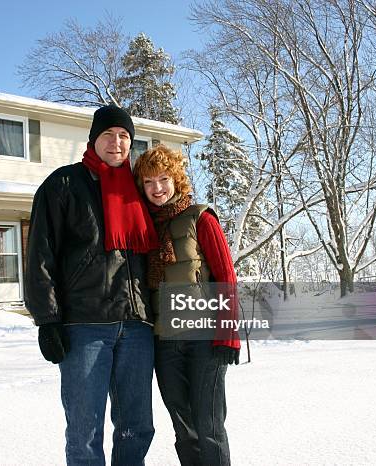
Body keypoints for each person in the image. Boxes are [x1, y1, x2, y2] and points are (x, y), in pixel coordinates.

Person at [25, 105, 159, 466]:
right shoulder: (63, 185)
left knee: (137, 426)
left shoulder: (139, 189)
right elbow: (41, 255)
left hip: (137, 326)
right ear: (93, 139)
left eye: (124, 136)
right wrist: (47, 320)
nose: (116, 143)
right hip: (84, 326)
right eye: (108, 135)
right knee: (85, 431)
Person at [133, 145, 240, 466]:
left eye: (163, 179)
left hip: (204, 341)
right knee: (184, 429)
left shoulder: (201, 219)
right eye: (149, 182)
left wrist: (228, 335)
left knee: (209, 427)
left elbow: (226, 277)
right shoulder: (144, 228)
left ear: (177, 179)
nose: (157, 188)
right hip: (165, 344)